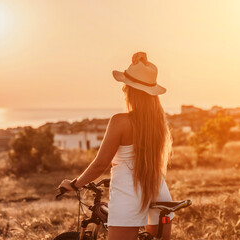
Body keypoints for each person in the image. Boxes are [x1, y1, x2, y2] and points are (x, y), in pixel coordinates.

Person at [58, 52, 174, 240]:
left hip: (129, 195)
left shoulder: (120, 121)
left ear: (131, 91)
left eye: (125, 87)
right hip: (158, 192)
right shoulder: (159, 125)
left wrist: (74, 184)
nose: (123, 90)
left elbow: (100, 164)